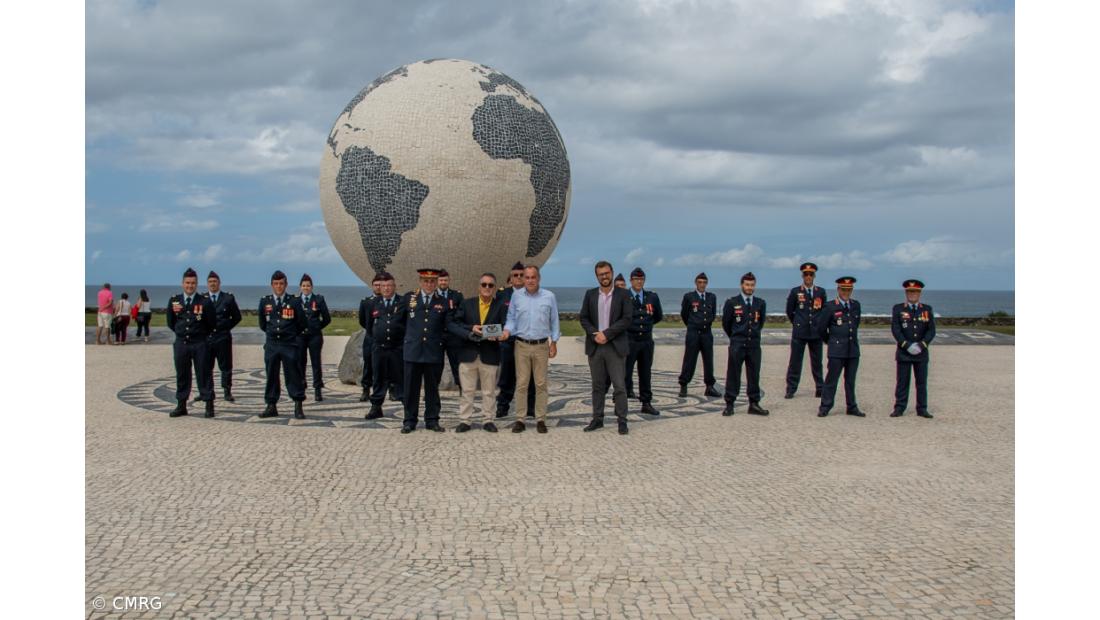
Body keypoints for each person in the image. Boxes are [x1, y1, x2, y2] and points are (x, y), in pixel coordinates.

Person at [501, 265, 560, 433]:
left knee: (541, 384)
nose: (530, 280)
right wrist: (507, 330)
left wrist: (554, 342)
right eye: (527, 277)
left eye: (533, 277)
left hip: (541, 345)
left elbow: (554, 321)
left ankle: (541, 419)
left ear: (539, 278)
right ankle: (520, 419)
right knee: (522, 383)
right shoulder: (516, 296)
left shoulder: (549, 297)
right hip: (521, 345)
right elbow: (511, 318)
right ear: (523, 279)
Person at [447, 272, 507, 433]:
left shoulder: (501, 306)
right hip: (468, 353)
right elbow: (455, 323)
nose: (487, 288)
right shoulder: (467, 304)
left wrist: (500, 336)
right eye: (484, 284)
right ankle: (465, 420)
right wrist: (471, 328)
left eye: (490, 285)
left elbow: (504, 326)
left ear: (494, 288)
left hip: (490, 354)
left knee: (489, 391)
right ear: (479, 286)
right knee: (467, 390)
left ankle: (488, 420)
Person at [579, 261, 634, 435]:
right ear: (597, 276)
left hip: (615, 346)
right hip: (596, 347)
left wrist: (607, 334)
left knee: (619, 386)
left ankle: (622, 420)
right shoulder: (590, 295)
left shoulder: (623, 294)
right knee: (597, 386)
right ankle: (597, 418)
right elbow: (584, 318)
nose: (604, 276)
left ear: (611, 273)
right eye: (601, 274)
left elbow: (626, 319)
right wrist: (595, 334)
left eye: (607, 273)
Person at [399, 268, 453, 433]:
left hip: (432, 352)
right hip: (413, 351)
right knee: (411, 389)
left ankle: (432, 420)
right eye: (425, 281)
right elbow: (400, 322)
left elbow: (448, 326)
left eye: (432, 281)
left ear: (437, 283)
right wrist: (407, 341)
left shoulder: (443, 302)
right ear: (420, 282)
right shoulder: (409, 299)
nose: (429, 284)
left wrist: (440, 342)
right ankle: (409, 420)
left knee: (432, 389)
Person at [258, 270, 308, 419]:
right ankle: (271, 405)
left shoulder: (294, 301)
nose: (278, 287)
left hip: (289, 344)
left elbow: (302, 323)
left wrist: (291, 335)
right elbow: (262, 324)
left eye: (281, 284)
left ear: (286, 285)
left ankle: (298, 405)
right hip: (272, 344)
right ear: (271, 285)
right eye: (276, 284)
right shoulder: (265, 301)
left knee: (293, 375)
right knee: (271, 375)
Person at [166, 268, 216, 418]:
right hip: (181, 343)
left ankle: (208, 404)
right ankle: (181, 405)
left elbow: (211, 323)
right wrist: (181, 333)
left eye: (193, 283)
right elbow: (171, 322)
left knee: (204, 373)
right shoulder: (175, 301)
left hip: (200, 343)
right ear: (182, 284)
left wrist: (200, 335)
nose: (190, 286)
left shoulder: (205, 302)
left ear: (197, 284)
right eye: (187, 283)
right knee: (182, 374)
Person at [721, 272, 769, 416]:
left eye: (752, 285)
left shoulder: (760, 303)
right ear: (742, 285)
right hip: (737, 343)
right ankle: (730, 403)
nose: (750, 287)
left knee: (754, 374)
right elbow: (726, 324)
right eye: (747, 285)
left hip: (754, 344)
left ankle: (754, 403)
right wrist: (736, 336)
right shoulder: (732, 302)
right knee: (733, 374)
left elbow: (760, 323)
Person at [816, 276, 864, 417]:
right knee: (831, 380)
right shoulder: (830, 306)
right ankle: (825, 406)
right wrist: (830, 341)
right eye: (843, 289)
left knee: (850, 381)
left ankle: (852, 406)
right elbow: (821, 328)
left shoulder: (856, 305)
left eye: (848, 289)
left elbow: (855, 325)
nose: (846, 292)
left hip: (852, 350)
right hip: (837, 350)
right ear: (838, 289)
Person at [495, 261, 536, 418]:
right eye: (515, 275)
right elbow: (498, 316)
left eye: (521, 275)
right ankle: (503, 405)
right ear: (510, 278)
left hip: (527, 340)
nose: (518, 278)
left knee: (530, 374)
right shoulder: (502, 294)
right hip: (508, 341)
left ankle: (531, 407)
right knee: (507, 375)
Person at [891, 279, 936, 418]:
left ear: (919, 293)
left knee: (921, 382)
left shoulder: (926, 309)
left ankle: (922, 408)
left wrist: (922, 345)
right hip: (904, 352)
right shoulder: (898, 309)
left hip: (921, 352)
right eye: (910, 291)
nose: (912, 294)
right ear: (906, 292)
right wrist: (906, 345)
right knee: (902, 382)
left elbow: (931, 331)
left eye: (915, 291)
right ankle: (899, 407)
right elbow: (896, 329)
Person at [364, 272, 405, 419]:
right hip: (379, 348)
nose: (386, 288)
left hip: (397, 348)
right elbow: (368, 326)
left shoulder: (402, 302)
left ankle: (407, 407)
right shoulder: (373, 304)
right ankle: (376, 408)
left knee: (400, 378)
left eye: (389, 285)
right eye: (384, 286)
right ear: (379, 288)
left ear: (394, 287)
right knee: (378, 379)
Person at [784, 262, 827, 399]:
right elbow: (790, 311)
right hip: (800, 332)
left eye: (811, 274)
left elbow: (824, 311)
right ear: (803, 276)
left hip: (816, 333)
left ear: (814, 276)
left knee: (817, 362)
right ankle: (791, 388)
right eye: (806, 274)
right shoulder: (796, 292)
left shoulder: (820, 292)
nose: (808, 276)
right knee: (795, 361)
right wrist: (797, 323)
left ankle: (820, 388)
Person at [625, 267, 663, 414]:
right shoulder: (624, 296)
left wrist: (646, 326)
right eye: (636, 279)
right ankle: (620, 401)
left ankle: (646, 402)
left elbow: (658, 316)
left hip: (646, 341)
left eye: (641, 279)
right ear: (631, 280)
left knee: (645, 373)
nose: (638, 282)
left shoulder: (652, 297)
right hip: (630, 340)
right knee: (625, 373)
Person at [678, 273, 721, 397]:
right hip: (693, 333)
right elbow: (684, 314)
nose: (702, 285)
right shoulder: (689, 297)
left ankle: (709, 386)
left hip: (706, 333)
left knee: (708, 360)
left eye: (704, 282)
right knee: (689, 360)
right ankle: (684, 384)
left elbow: (712, 314)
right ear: (696, 283)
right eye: (700, 282)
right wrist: (693, 325)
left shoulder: (711, 297)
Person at [204, 271, 242, 402]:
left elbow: (237, 317)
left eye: (215, 281)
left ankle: (227, 391)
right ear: (207, 284)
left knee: (226, 366)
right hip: (207, 338)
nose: (212, 284)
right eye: (210, 282)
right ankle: (207, 391)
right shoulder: (202, 299)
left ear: (219, 283)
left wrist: (225, 327)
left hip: (223, 337)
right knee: (206, 366)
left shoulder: (228, 298)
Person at [297, 274, 332, 401]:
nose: (306, 288)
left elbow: (327, 319)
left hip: (314, 337)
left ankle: (317, 389)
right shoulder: (296, 300)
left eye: (308, 286)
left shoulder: (318, 299)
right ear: (300, 287)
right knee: (300, 362)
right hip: (300, 337)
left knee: (316, 363)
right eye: (304, 286)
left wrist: (317, 327)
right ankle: (301, 385)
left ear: (312, 287)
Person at [436, 269, 464, 389]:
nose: (443, 282)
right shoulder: (433, 296)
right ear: (437, 281)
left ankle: (462, 388)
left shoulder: (457, 295)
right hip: (437, 335)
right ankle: (433, 389)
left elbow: (462, 312)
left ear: (449, 280)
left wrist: (453, 322)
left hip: (453, 336)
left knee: (456, 364)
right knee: (436, 364)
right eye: (441, 280)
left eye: (445, 280)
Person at [358, 274, 384, 402]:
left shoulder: (388, 301)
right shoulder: (366, 302)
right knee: (368, 365)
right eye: (376, 285)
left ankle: (390, 389)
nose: (378, 287)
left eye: (380, 285)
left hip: (384, 339)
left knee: (385, 366)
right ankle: (366, 389)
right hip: (370, 338)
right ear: (372, 286)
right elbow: (362, 321)